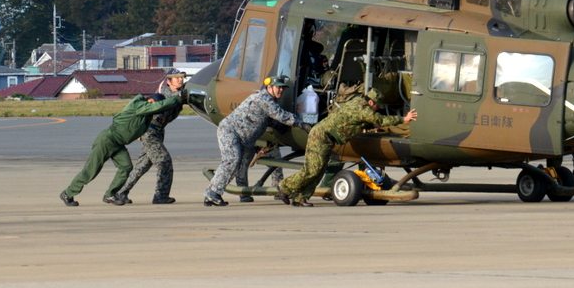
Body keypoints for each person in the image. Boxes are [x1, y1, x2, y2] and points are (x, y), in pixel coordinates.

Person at [277, 84, 416, 207]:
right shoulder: (364, 109)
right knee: (312, 170)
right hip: (321, 136)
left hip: (327, 138)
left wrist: (368, 123)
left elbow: (354, 119)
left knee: (319, 171)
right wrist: (404, 118)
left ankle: (300, 198)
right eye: (377, 106)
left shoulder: (357, 102)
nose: (377, 108)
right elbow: (380, 119)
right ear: (371, 102)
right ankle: (285, 186)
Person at [59, 89, 184, 206]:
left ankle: (110, 194)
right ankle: (68, 193)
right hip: (107, 140)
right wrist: (177, 98)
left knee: (126, 167)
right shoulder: (139, 105)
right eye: (155, 106)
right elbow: (157, 107)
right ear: (151, 101)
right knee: (91, 170)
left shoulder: (146, 114)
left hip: (118, 143)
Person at [204, 77, 304, 206]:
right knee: (232, 160)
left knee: (259, 160)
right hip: (230, 132)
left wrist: (278, 126)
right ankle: (213, 193)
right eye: (278, 87)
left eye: (282, 88)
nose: (281, 90)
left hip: (247, 138)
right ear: (269, 87)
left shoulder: (270, 100)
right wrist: (301, 123)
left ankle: (255, 192)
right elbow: (279, 115)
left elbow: (265, 118)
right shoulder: (263, 98)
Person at [111, 68, 188, 205]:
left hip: (158, 132)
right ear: (168, 81)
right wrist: (138, 131)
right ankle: (161, 195)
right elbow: (173, 100)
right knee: (164, 162)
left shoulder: (180, 93)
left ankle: (120, 193)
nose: (180, 80)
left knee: (142, 165)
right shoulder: (164, 94)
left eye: (182, 77)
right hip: (149, 132)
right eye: (176, 78)